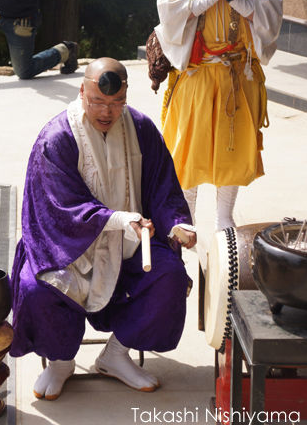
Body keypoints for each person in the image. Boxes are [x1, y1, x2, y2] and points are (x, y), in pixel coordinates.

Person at [10, 57, 196, 400]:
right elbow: (57, 207)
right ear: (82, 92)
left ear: (125, 96)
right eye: (97, 101)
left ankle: (116, 354)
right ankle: (61, 362)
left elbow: (163, 186)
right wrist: (118, 220)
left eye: (116, 102)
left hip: (131, 242)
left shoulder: (140, 128)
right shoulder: (57, 137)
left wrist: (176, 223)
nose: (107, 112)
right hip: (67, 244)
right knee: (36, 288)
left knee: (169, 276)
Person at [154, 0, 287, 230]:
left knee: (233, 149)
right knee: (189, 152)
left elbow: (272, 19)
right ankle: (185, 219)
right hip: (197, 74)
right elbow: (169, 12)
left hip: (237, 75)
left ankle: (224, 218)